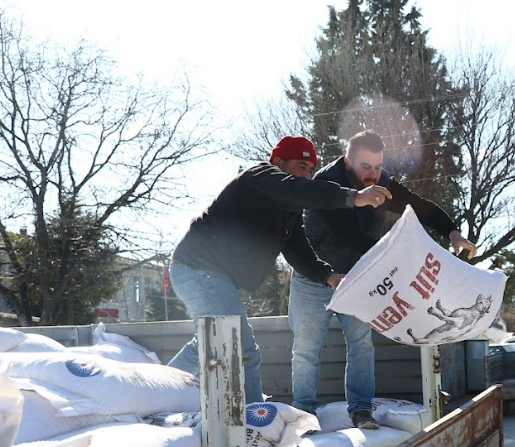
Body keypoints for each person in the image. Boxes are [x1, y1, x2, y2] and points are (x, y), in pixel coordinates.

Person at [167, 136, 392, 404]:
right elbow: (298, 190)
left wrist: (328, 276)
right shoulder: (259, 178)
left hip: (204, 273)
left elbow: (297, 249)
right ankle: (255, 420)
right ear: (277, 162)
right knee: (241, 348)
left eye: (311, 170)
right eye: (300, 166)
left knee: (207, 344)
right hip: (198, 268)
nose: (306, 174)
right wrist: (353, 197)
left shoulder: (288, 211)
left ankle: (155, 390)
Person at [288, 130, 477, 429]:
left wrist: (452, 232)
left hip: (358, 277)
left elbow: (419, 206)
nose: (373, 174)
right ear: (348, 162)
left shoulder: (382, 182)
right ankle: (303, 415)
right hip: (315, 276)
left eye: (377, 166)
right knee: (306, 349)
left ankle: (361, 410)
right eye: (365, 166)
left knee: (362, 343)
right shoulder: (325, 184)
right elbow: (347, 237)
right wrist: (398, 260)